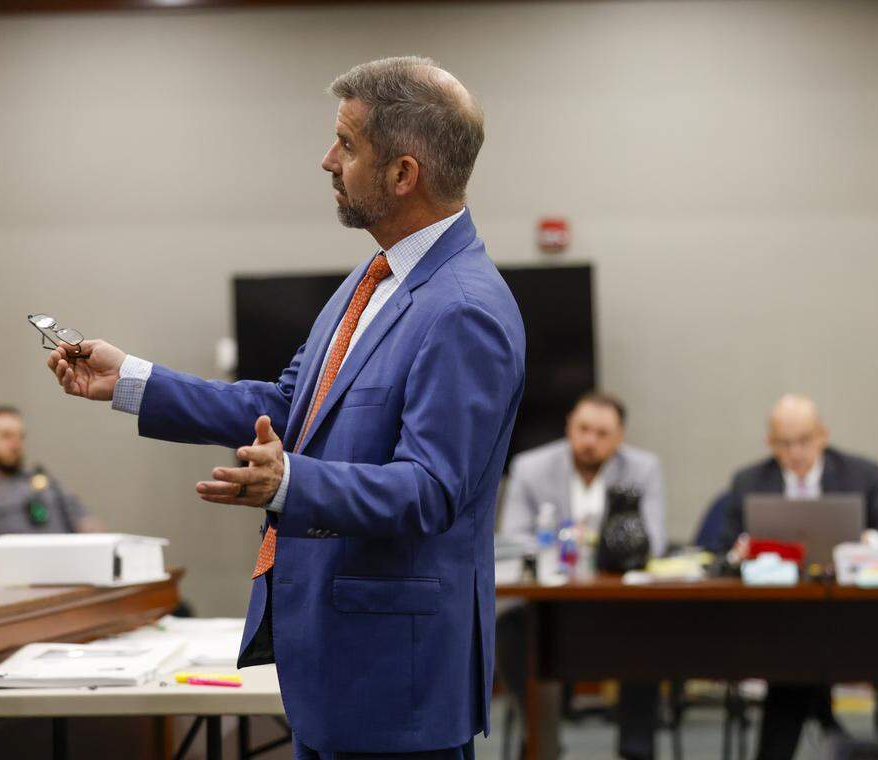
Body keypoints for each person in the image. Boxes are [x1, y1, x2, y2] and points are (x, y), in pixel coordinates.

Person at [44, 56, 525, 760]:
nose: (327, 160)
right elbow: (288, 404)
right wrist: (131, 381)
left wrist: (291, 483)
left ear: (403, 174)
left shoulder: (466, 311)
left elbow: (431, 490)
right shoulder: (374, 276)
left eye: (348, 144)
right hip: (335, 667)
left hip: (396, 683)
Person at [717, 394, 878, 760]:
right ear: (769, 443)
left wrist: (866, 543)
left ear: (823, 435)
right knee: (796, 651)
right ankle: (831, 730)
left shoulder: (862, 473)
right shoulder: (749, 481)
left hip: (848, 614)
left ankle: (807, 739)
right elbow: (719, 550)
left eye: (804, 440)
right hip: (772, 617)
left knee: (795, 660)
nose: (795, 452)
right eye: (784, 443)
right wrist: (740, 551)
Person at [499, 391, 667, 760]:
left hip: (621, 608)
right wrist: (562, 541)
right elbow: (513, 538)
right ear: (569, 427)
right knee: (510, 627)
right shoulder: (530, 467)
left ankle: (636, 747)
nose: (590, 441)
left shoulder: (643, 468)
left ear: (620, 436)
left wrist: (592, 541)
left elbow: (652, 540)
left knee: (651, 630)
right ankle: (542, 740)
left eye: (602, 433)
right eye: (583, 429)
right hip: (548, 608)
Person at [0, 405, 103, 564]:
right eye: (6, 436)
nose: (16, 444)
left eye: (21, 437)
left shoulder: (42, 477)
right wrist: (6, 564)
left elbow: (84, 521)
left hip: (68, 570)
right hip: (11, 579)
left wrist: (97, 544)